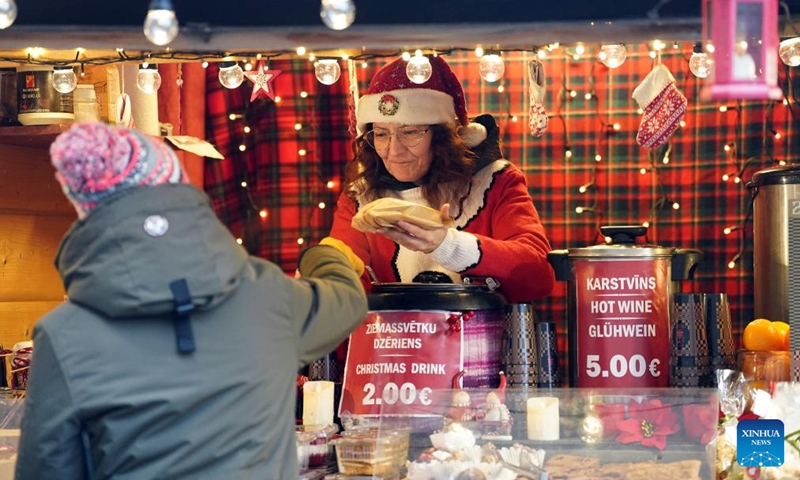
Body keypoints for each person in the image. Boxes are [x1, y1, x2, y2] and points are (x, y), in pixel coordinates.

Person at [14, 122, 368, 479]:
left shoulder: (64, 335)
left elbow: (46, 469)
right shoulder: (267, 294)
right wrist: (322, 254)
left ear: (87, 211)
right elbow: (348, 299)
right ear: (179, 191)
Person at [329, 55, 555, 303]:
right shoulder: (360, 196)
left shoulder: (496, 181)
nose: (393, 151)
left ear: (442, 137)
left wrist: (449, 245)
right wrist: (320, 284)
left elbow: (538, 276)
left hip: (483, 340)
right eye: (381, 135)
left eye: (410, 132)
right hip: (392, 341)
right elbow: (345, 293)